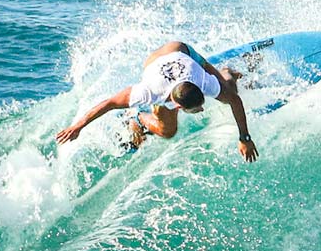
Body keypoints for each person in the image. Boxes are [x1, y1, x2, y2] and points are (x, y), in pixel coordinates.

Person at [54, 40, 259, 161]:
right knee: (167, 131)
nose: (202, 109)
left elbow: (235, 101)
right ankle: (137, 118)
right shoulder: (150, 92)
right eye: (197, 108)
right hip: (155, 62)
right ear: (177, 106)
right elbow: (110, 103)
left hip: (182, 50)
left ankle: (227, 71)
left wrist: (244, 137)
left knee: (227, 88)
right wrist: (78, 126)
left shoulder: (204, 81)